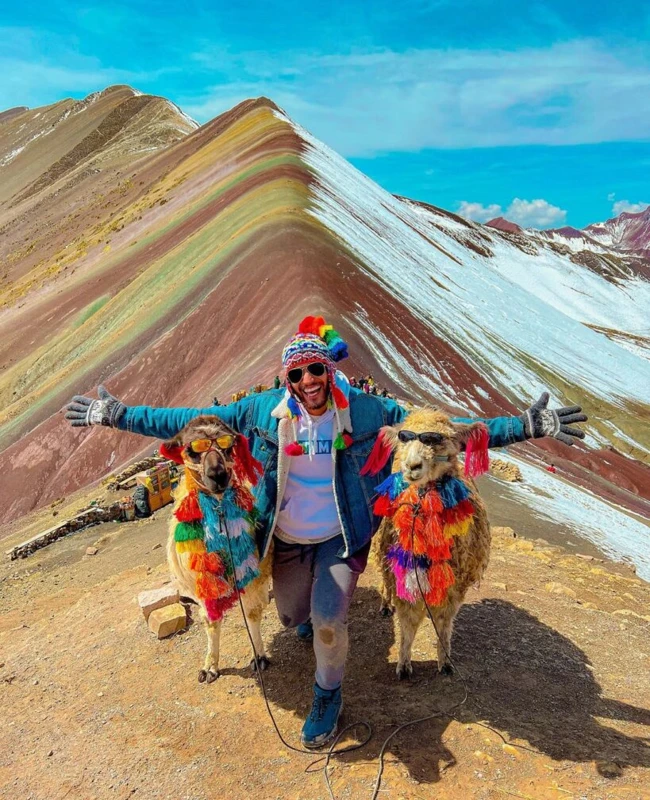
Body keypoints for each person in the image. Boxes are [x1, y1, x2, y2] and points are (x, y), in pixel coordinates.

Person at [65, 315, 587, 748]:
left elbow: (441, 429)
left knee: (331, 621)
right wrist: (113, 414)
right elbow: (186, 420)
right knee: (294, 614)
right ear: (286, 381)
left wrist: (524, 426)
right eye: (297, 375)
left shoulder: (366, 410)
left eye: (317, 369)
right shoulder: (259, 414)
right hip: (285, 540)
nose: (309, 382)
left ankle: (328, 696)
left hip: (342, 537)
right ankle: (307, 621)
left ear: (328, 370)